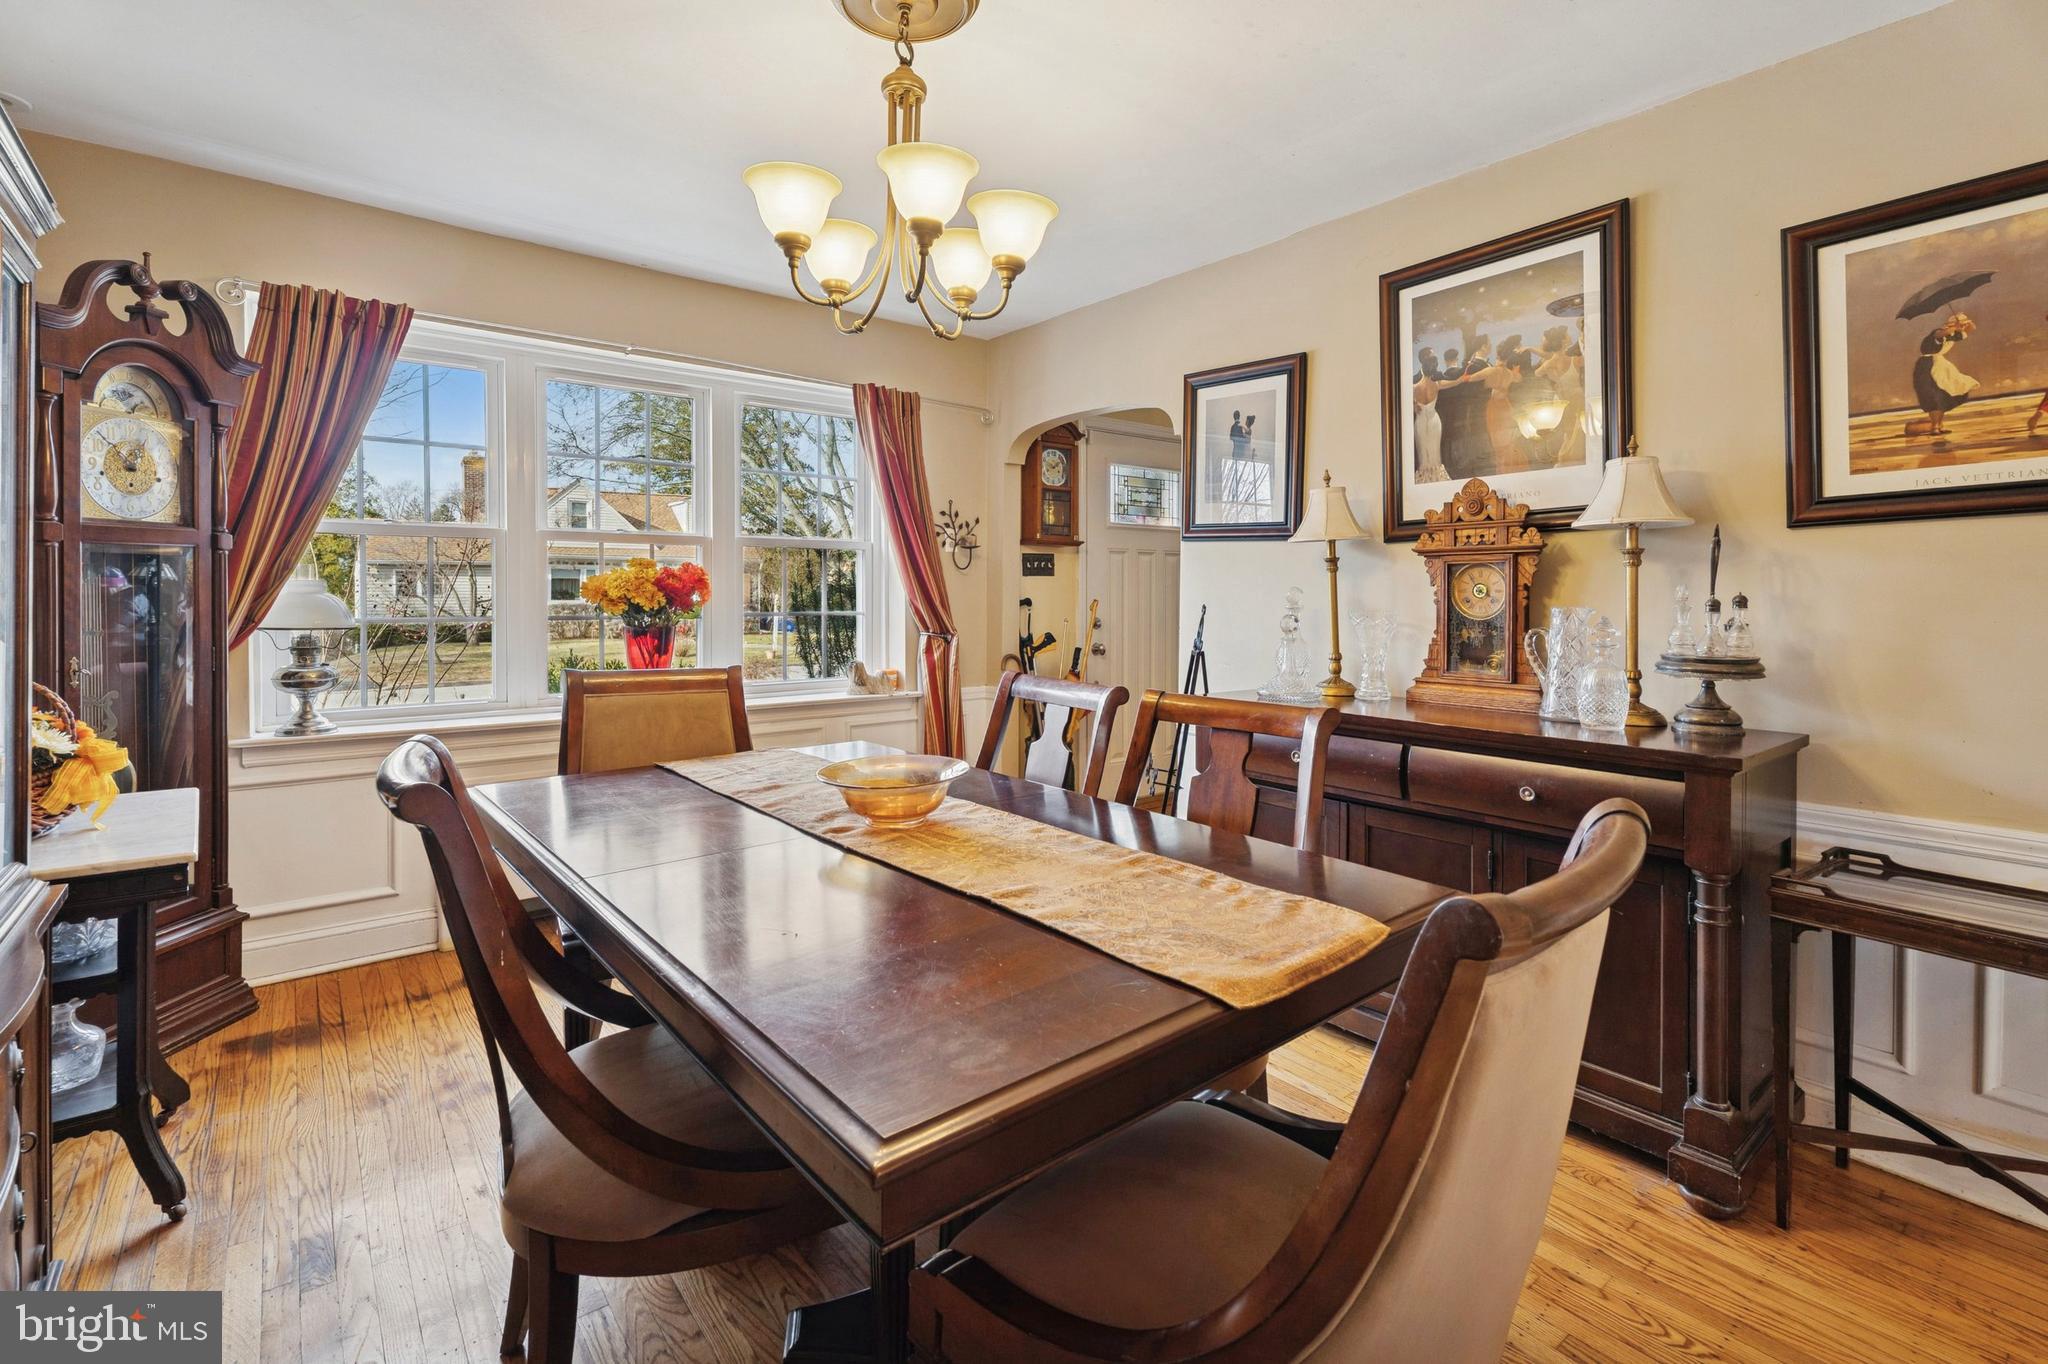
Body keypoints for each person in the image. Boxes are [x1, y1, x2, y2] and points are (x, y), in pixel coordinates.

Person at [1910, 313, 1978, 438]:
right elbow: (1940, 334)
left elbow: (1969, 330)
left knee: (1943, 396)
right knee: (1933, 396)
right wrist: (1955, 327)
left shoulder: (1952, 335)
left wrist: (1968, 324)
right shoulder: (1939, 332)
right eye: (1960, 326)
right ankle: (1934, 427)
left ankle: (1939, 425)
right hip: (1927, 367)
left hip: (1940, 366)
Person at [1414, 350, 1448, 483]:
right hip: (1429, 420)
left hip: (1429, 421)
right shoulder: (1417, 380)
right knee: (1425, 453)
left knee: (1432, 453)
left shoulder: (1414, 385)